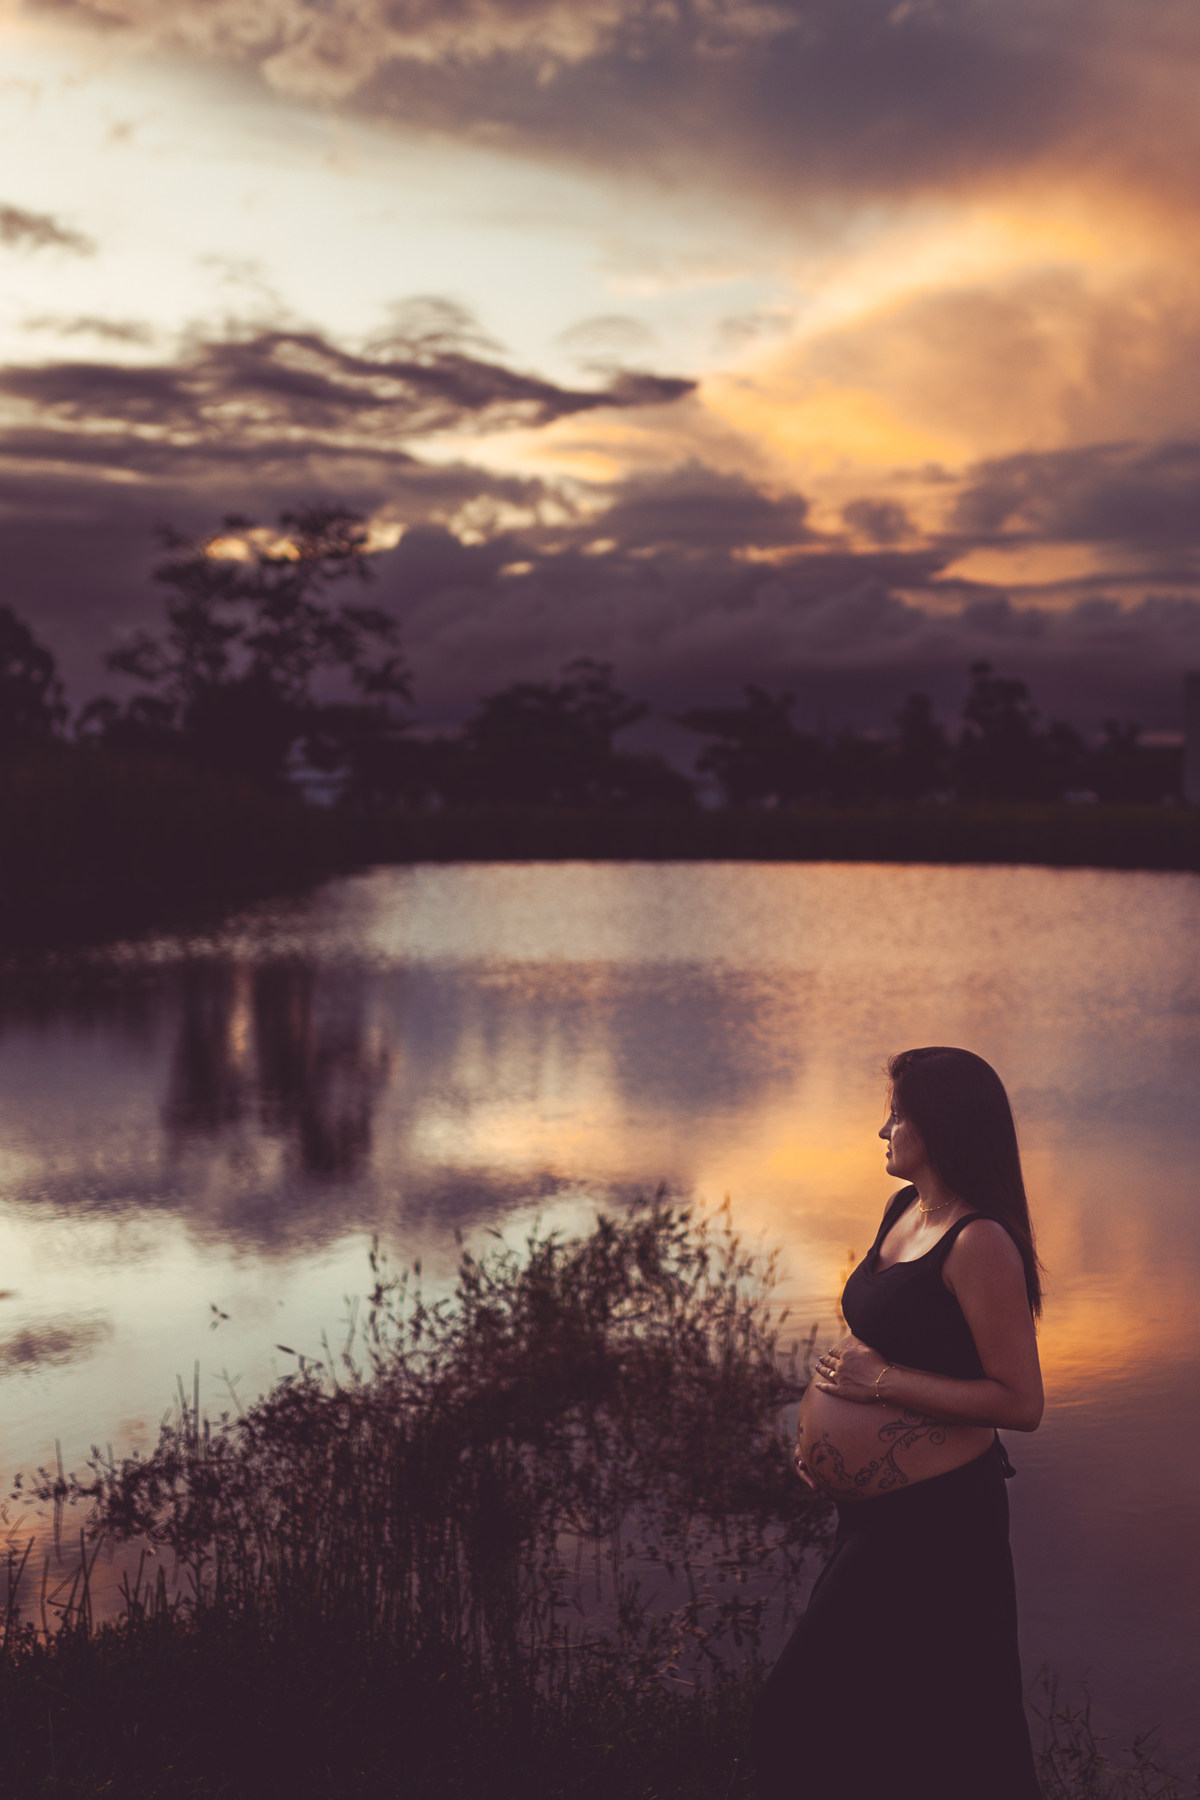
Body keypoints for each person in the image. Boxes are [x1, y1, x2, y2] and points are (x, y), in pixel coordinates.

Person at [755, 1046, 1044, 1800]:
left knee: (801, 1705)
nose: (883, 1129)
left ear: (939, 1127)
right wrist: (818, 1441)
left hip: (940, 1521)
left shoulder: (980, 1242)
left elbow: (1021, 1403)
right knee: (893, 1719)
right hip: (871, 1511)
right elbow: (879, 1333)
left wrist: (878, 1385)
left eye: (898, 1115)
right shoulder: (904, 1211)